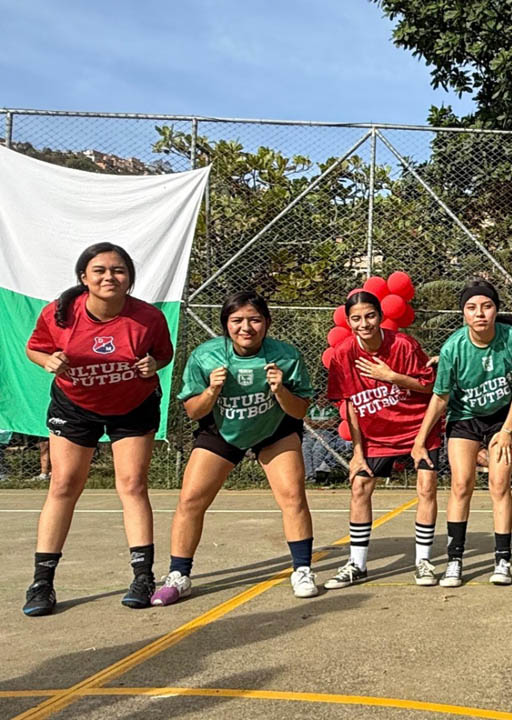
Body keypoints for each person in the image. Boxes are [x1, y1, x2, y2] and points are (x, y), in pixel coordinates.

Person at [22, 243, 173, 616]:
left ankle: (142, 577)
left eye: (118, 270)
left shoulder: (148, 317)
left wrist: (153, 364)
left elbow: (164, 354)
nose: (110, 277)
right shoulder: (59, 315)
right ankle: (42, 582)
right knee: (63, 485)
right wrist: (49, 362)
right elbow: (35, 348)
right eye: (100, 270)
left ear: (129, 278)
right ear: (83, 278)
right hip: (75, 407)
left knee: (133, 485)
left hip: (132, 406)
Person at [152, 292, 318, 605]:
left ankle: (302, 569)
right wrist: (213, 389)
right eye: (237, 320)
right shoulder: (206, 356)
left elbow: (299, 411)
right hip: (222, 431)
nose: (246, 327)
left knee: (293, 496)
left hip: (274, 431)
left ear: (267, 322)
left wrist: (280, 390)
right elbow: (193, 411)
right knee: (190, 499)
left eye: (254, 319)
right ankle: (178, 575)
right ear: (226, 324)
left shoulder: (286, 356)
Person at [412, 280, 512, 587]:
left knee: (499, 482)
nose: (480, 313)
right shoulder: (453, 347)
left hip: (501, 418)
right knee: (461, 483)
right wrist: (419, 440)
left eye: (487, 306)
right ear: (463, 314)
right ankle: (455, 560)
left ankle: (502, 559)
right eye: (471, 308)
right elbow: (440, 398)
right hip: (465, 417)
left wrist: (508, 430)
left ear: (496, 310)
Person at [323, 291, 444, 590]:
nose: (364, 323)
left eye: (370, 316)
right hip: (376, 435)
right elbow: (350, 404)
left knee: (427, 487)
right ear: (348, 321)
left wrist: (392, 376)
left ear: (380, 316)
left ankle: (423, 561)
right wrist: (357, 452)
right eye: (356, 318)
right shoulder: (342, 354)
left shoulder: (403, 345)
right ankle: (357, 564)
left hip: (418, 429)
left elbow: (432, 388)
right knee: (360, 486)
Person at [302, 396, 347, 483]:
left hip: (327, 432)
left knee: (318, 448)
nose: (322, 400)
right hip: (311, 432)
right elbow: (307, 422)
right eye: (320, 398)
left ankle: (316, 474)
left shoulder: (332, 409)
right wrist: (323, 423)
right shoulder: (311, 408)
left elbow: (332, 424)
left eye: (325, 398)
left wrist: (314, 423)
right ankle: (308, 475)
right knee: (305, 447)